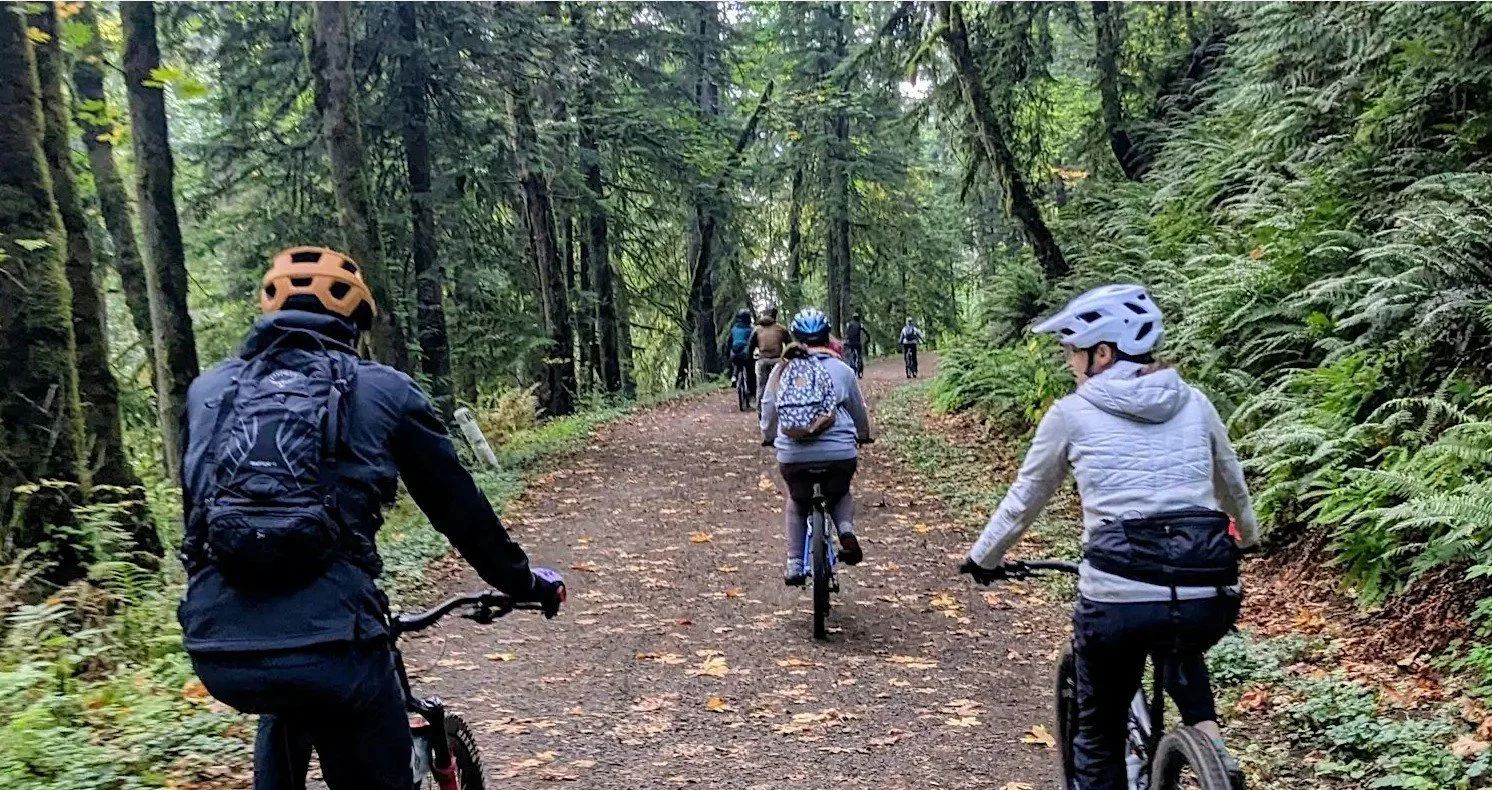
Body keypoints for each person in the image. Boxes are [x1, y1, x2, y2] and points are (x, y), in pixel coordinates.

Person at [177, 247, 568, 790]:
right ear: (356, 325)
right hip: (338, 641)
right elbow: (459, 509)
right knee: (345, 703)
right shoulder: (385, 390)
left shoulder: (209, 390)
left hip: (219, 644)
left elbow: (196, 516)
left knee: (286, 697)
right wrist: (522, 582)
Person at [956, 284, 1257, 790]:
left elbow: (1025, 499)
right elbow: (1233, 485)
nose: (1069, 362)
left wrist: (983, 557)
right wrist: (1247, 538)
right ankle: (1214, 753)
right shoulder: (1196, 401)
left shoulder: (1070, 414)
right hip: (1208, 589)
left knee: (1097, 737)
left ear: (1103, 353)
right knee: (1179, 631)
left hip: (1118, 599)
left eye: (1073, 351)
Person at [760, 307, 874, 585]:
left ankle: (794, 563)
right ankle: (846, 532)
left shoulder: (782, 369)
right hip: (839, 454)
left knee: (798, 502)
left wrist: (769, 435)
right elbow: (858, 412)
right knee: (840, 493)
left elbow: (768, 407)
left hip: (794, 455)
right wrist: (863, 435)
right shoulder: (842, 370)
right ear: (827, 337)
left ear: (795, 339)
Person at [748, 305, 792, 399]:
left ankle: (760, 407)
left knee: (761, 386)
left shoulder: (757, 329)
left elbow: (750, 346)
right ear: (775, 316)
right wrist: (788, 358)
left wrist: (750, 358)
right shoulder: (781, 329)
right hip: (778, 361)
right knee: (782, 384)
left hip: (763, 360)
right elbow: (790, 345)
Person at [725, 308, 756, 400]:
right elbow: (754, 343)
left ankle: (734, 377)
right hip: (746, 354)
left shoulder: (734, 329)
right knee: (751, 371)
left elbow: (729, 343)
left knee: (737, 364)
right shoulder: (751, 329)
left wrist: (728, 355)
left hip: (734, 354)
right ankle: (752, 392)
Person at [843, 312, 866, 378]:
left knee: (851, 354)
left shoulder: (849, 324)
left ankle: (851, 364)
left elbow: (846, 333)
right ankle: (860, 368)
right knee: (859, 355)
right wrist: (868, 338)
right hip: (857, 343)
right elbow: (865, 331)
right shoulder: (860, 324)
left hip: (850, 343)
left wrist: (845, 340)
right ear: (858, 318)